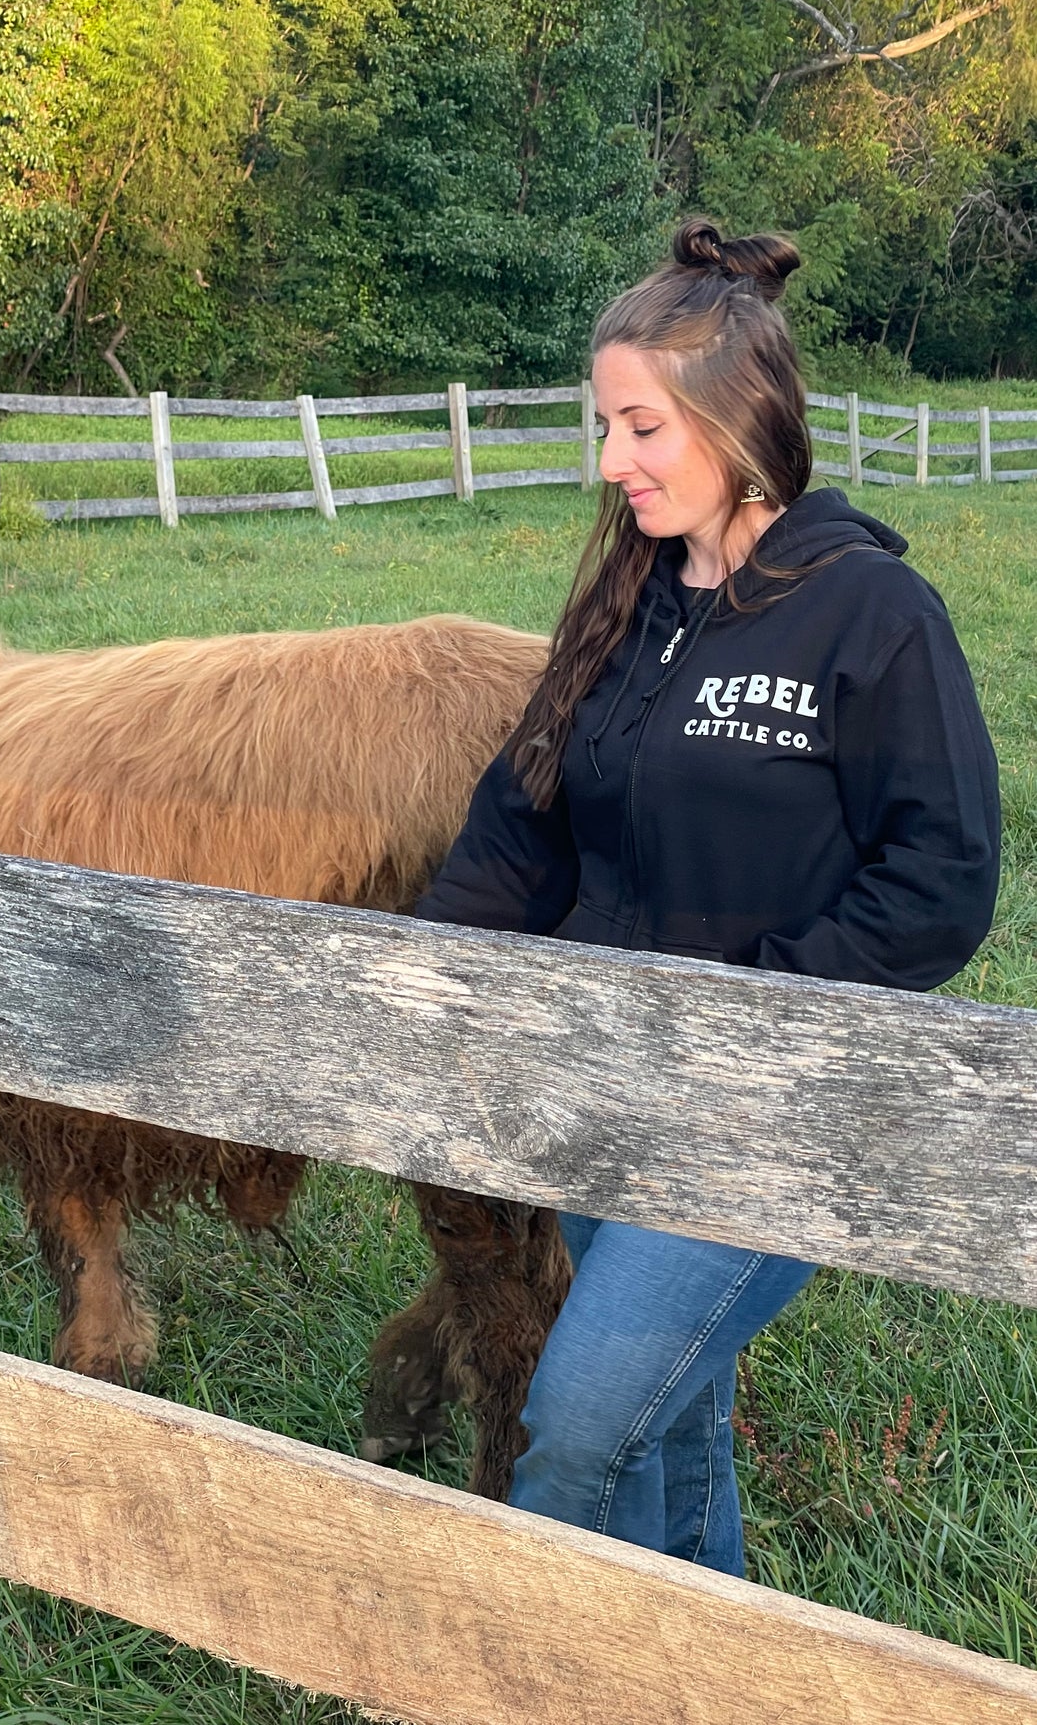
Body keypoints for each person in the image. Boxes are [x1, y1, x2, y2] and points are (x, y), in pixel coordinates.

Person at [415, 218, 1002, 1576]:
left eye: (638, 429)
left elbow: (940, 877)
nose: (608, 464)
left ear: (734, 420)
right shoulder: (623, 608)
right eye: (605, 429)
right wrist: (424, 984)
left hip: (765, 1114)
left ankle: (513, 1667)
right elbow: (520, 829)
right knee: (671, 1434)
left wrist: (751, 1010)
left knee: (573, 1428)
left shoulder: (871, 615)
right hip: (603, 1091)